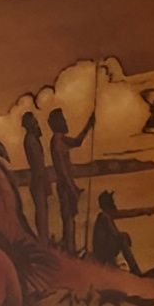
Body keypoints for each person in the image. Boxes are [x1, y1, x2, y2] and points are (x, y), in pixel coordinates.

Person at [47, 106, 95, 255]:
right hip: (65, 186)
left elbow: (78, 142)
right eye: (63, 120)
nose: (66, 122)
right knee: (68, 219)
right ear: (58, 123)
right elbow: (62, 170)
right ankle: (70, 251)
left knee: (70, 219)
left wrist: (89, 125)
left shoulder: (60, 139)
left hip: (67, 185)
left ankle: (71, 249)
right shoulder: (57, 140)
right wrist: (71, 187)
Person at [91, 190, 153, 273]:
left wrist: (144, 211)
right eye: (111, 202)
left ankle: (133, 268)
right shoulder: (104, 217)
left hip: (104, 250)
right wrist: (125, 236)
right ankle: (135, 270)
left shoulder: (106, 215)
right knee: (123, 238)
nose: (114, 204)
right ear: (107, 204)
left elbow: (126, 213)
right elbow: (115, 235)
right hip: (102, 253)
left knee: (123, 237)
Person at [20, 111, 49, 242]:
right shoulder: (30, 140)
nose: (37, 124)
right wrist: (42, 179)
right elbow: (37, 163)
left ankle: (44, 240)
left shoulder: (32, 139)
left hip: (40, 179)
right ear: (29, 124)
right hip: (38, 179)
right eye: (34, 122)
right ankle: (43, 241)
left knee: (43, 211)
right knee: (41, 212)